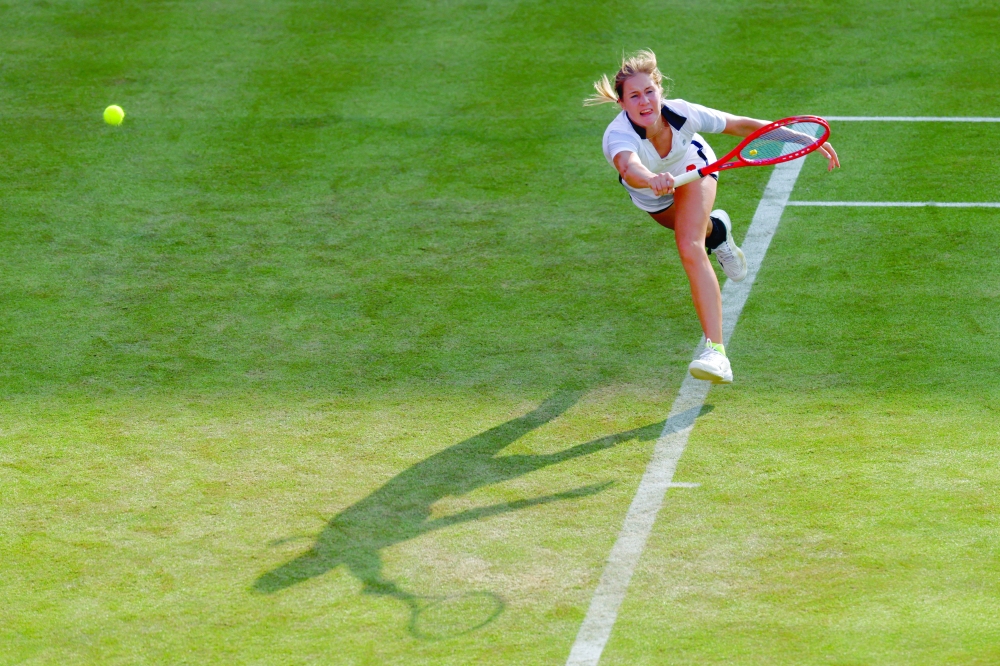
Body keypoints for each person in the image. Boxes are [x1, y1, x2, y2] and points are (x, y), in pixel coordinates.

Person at [586, 50, 839, 384]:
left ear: (660, 91)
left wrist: (799, 137)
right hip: (651, 192)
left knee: (689, 244)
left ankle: (716, 353)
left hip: (695, 168)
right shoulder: (617, 136)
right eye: (634, 96)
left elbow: (738, 125)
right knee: (695, 231)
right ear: (622, 104)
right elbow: (629, 167)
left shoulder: (683, 113)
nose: (644, 101)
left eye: (650, 91)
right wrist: (650, 179)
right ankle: (718, 233)